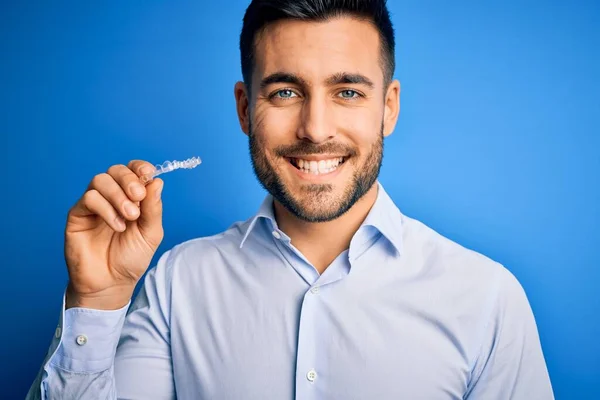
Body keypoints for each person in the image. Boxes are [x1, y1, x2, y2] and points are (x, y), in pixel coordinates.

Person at [26, 0, 554, 399]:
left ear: (388, 108)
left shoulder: (487, 299)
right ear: (243, 107)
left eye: (347, 91)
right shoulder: (176, 284)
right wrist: (98, 298)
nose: (315, 128)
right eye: (285, 92)